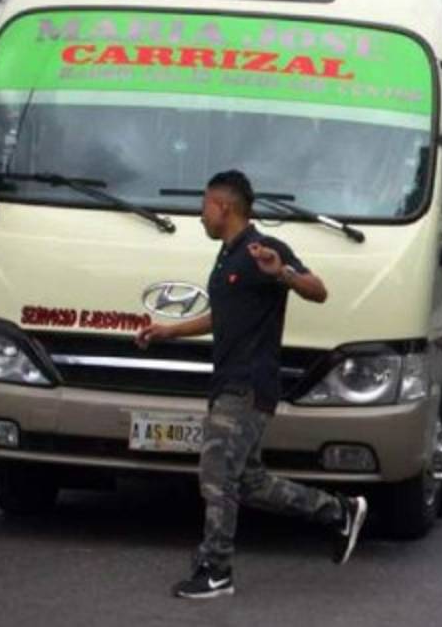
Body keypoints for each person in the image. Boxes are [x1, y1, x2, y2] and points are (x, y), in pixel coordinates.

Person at [136, 171, 367, 599]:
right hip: (229, 382)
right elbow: (222, 316)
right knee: (248, 482)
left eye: (205, 205)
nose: (200, 214)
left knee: (216, 475)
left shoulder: (264, 250)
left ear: (224, 207)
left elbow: (318, 290)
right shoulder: (227, 256)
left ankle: (216, 569)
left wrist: (283, 273)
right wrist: (169, 331)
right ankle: (339, 511)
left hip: (247, 386)